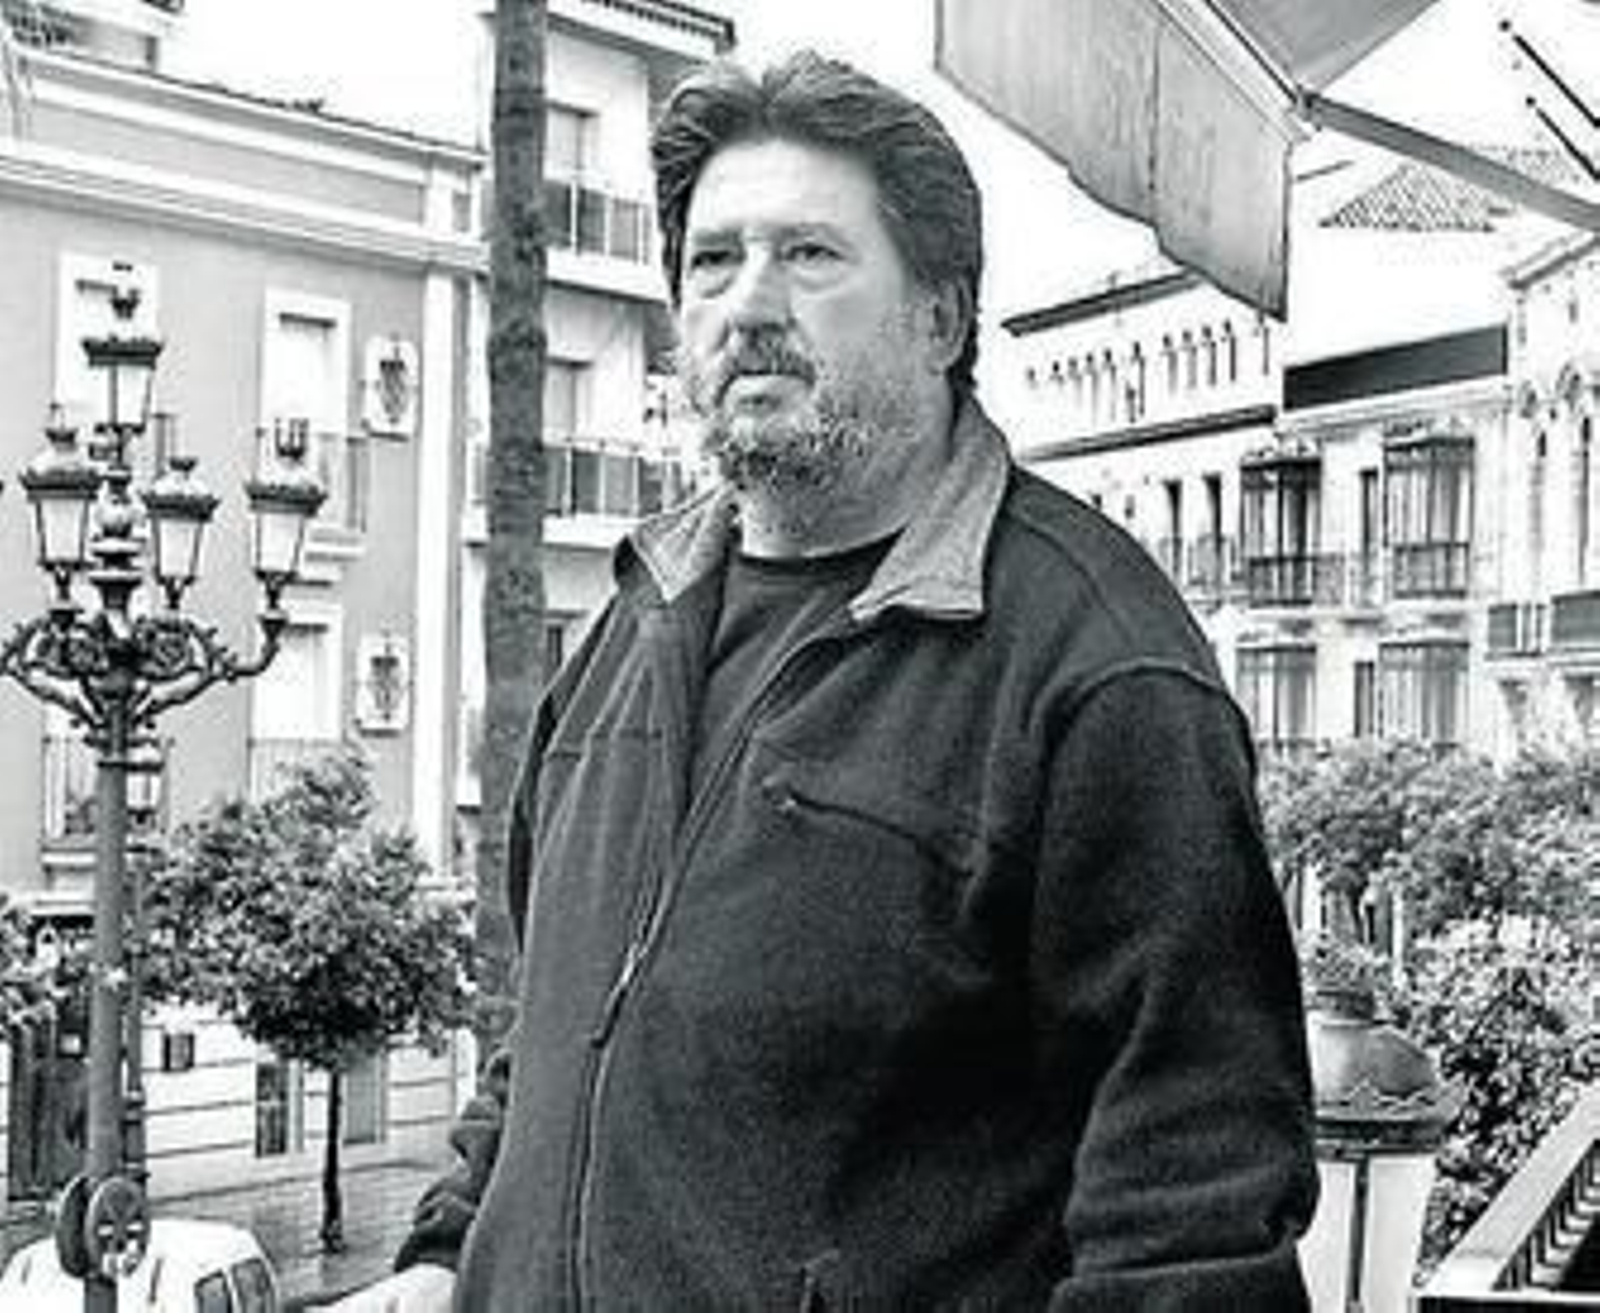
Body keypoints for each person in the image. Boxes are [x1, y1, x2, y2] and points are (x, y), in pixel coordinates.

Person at [340, 49, 1318, 1311]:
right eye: (712, 260)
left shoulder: (1096, 665)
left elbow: (1194, 1210)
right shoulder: (631, 624)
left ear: (941, 317)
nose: (749, 304)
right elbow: (557, 1031)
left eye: (809, 255)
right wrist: (445, 1256)